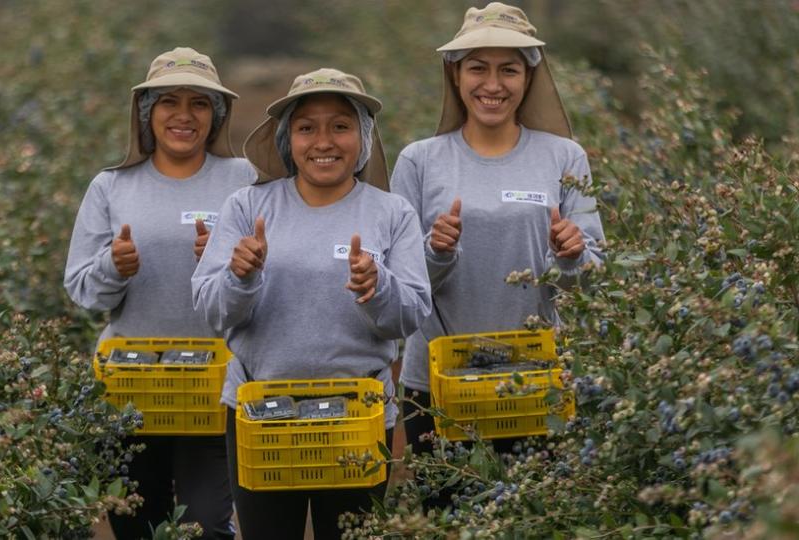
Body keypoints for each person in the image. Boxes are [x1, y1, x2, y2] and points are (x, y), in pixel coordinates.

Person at [191, 68, 431, 540]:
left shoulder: (391, 212)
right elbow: (212, 310)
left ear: (361, 140)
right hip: (263, 414)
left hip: (356, 417)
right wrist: (241, 275)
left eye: (340, 126)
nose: (324, 141)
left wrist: (376, 285)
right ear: (288, 140)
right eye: (307, 128)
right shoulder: (247, 207)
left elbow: (412, 314)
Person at [391, 2, 606, 457]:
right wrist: (436, 253)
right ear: (455, 74)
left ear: (528, 77)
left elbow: (591, 281)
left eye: (508, 69)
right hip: (438, 384)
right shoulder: (420, 160)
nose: (492, 85)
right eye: (477, 68)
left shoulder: (564, 157)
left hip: (537, 377)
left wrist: (571, 257)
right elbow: (399, 294)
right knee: (449, 523)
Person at [63, 47, 256, 540]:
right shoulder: (112, 186)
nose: (184, 115)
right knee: (135, 524)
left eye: (199, 103)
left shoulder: (244, 181)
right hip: (131, 388)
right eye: (170, 101)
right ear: (148, 112)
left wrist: (226, 263)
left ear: (217, 115)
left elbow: (273, 276)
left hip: (214, 387)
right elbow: (83, 290)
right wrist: (114, 266)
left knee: (207, 524)